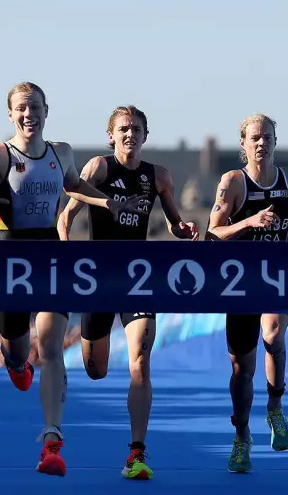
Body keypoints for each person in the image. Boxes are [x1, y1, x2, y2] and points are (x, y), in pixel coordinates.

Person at [0, 82, 138, 477]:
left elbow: (72, 184)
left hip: (50, 257)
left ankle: (52, 442)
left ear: (46, 111)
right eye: (21, 108)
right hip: (11, 259)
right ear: (10, 114)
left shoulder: (61, 152)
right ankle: (17, 365)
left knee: (52, 349)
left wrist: (107, 201)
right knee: (18, 351)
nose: (28, 114)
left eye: (35, 107)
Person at [57, 105, 198, 481]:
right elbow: (65, 216)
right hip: (99, 281)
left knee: (140, 361)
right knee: (97, 370)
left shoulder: (159, 177)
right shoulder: (98, 169)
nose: (130, 134)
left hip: (138, 280)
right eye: (123, 129)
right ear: (111, 136)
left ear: (145, 136)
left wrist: (183, 229)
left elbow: (173, 223)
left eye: (136, 129)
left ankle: (136, 452)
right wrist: (68, 250)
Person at [207, 113, 288, 474]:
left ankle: (275, 410)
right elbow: (213, 233)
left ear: (275, 141)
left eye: (267, 137)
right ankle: (242, 436)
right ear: (243, 144)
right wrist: (248, 223)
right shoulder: (233, 183)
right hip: (240, 284)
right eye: (254, 138)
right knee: (242, 370)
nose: (261, 143)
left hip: (278, 278)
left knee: (273, 332)